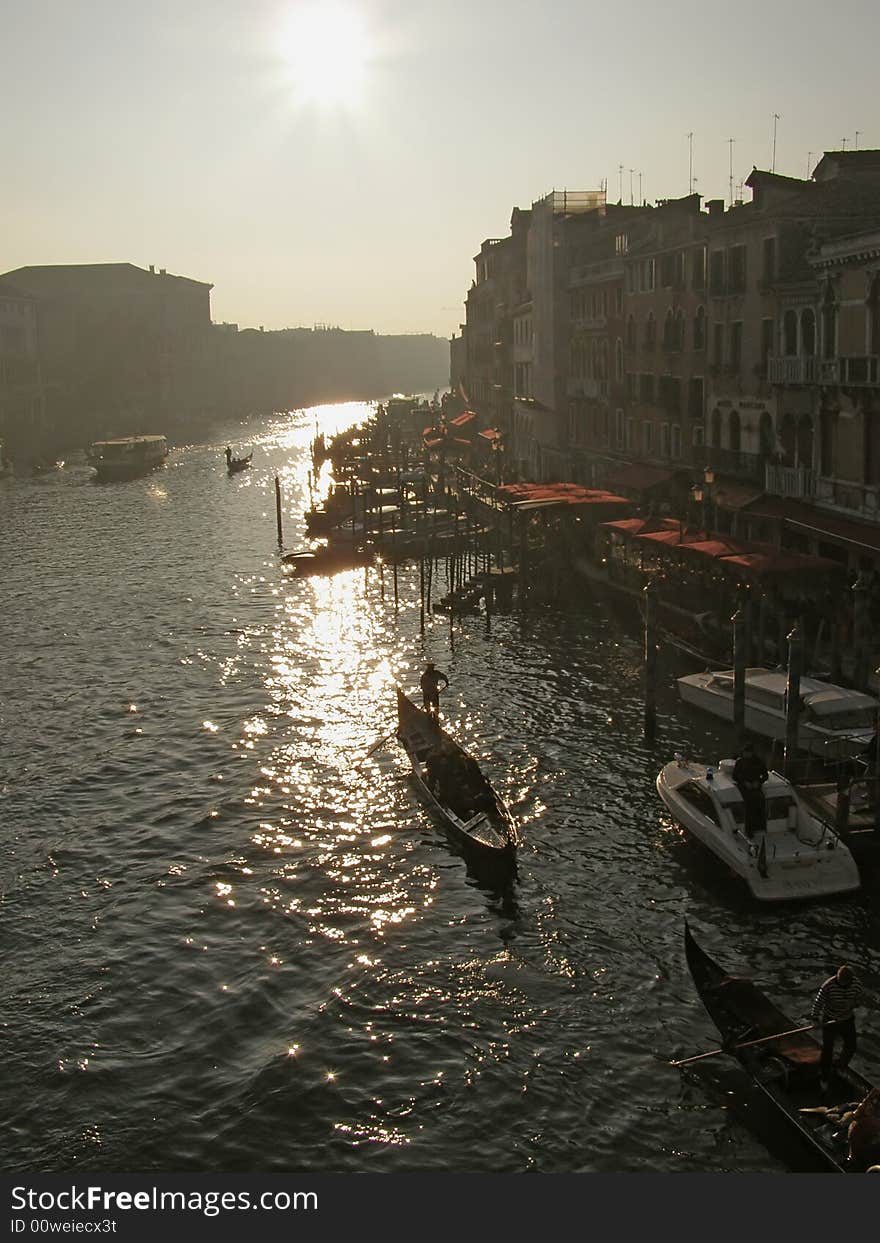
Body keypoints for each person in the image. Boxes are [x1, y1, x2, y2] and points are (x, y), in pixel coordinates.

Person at [811, 964, 863, 1089]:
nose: (844, 985)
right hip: (830, 1019)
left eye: (846, 984)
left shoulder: (856, 984)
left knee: (851, 1045)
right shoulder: (828, 986)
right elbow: (818, 1002)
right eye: (841, 983)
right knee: (828, 1049)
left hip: (847, 1019)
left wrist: (855, 1004)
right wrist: (815, 1018)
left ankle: (840, 1066)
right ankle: (824, 1076)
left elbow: (858, 999)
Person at [733, 741, 769, 836]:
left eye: (748, 752)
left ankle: (761, 826)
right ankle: (749, 830)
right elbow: (735, 776)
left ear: (751, 753)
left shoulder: (759, 762)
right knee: (748, 805)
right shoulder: (740, 762)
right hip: (744, 787)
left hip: (755, 787)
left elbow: (765, 776)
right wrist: (745, 783)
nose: (746, 754)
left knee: (761, 801)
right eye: (745, 752)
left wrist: (758, 782)